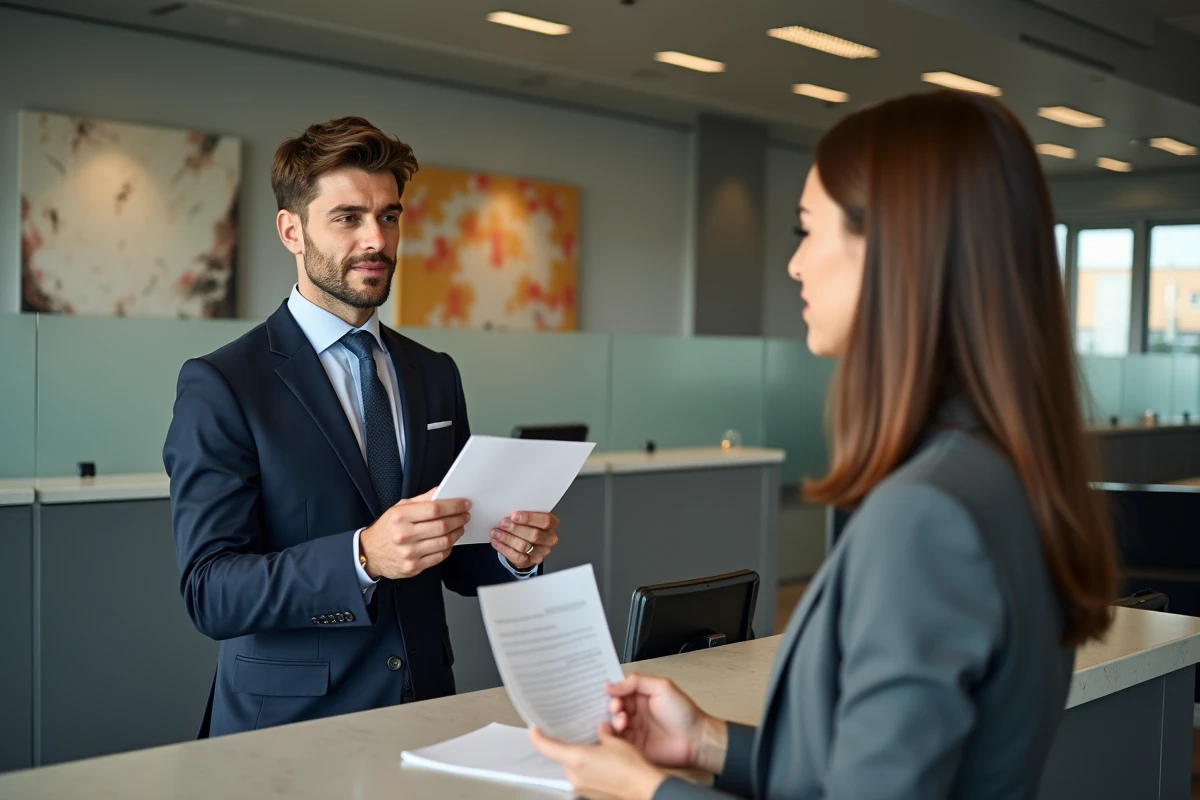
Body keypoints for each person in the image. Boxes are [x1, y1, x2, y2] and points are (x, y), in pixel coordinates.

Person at [530, 90, 1118, 799]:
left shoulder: (927, 516)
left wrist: (647, 792)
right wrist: (708, 743)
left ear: (897, 245)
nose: (795, 265)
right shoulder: (998, 474)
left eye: (808, 230)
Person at [163, 116, 561, 737]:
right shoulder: (223, 384)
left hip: (425, 707)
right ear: (291, 230)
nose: (376, 239)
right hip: (292, 726)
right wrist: (362, 558)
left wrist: (512, 555)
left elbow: (451, 559)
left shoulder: (434, 372)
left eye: (390, 216)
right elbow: (211, 591)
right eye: (347, 218)